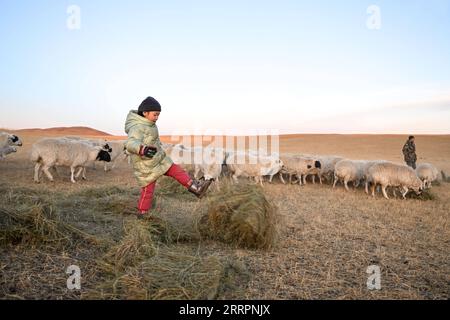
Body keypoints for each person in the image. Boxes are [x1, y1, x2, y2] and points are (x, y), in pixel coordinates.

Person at [124, 96, 212, 219]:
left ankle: (196, 188)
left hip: (159, 159)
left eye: (158, 115)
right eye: (155, 114)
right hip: (145, 165)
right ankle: (142, 214)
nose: (157, 117)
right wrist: (142, 149)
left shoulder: (151, 125)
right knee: (148, 190)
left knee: (176, 170)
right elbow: (130, 143)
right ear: (145, 113)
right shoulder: (137, 127)